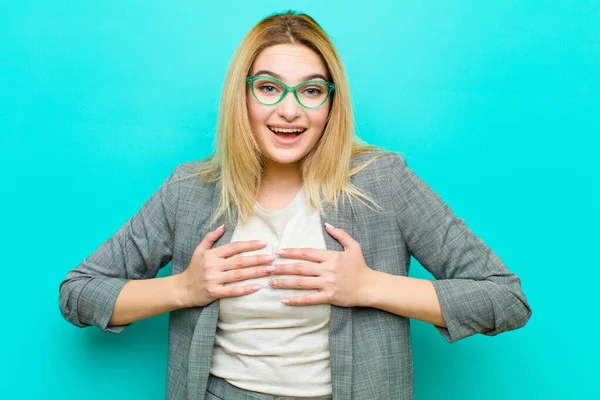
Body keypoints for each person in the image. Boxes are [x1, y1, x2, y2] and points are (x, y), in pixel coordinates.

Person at [59, 10, 532, 400]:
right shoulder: (189, 189)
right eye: (268, 87)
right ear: (241, 97)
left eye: (310, 91)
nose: (290, 110)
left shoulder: (383, 181)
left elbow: (505, 299)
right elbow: (78, 293)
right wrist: (183, 289)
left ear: (331, 103)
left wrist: (369, 286)